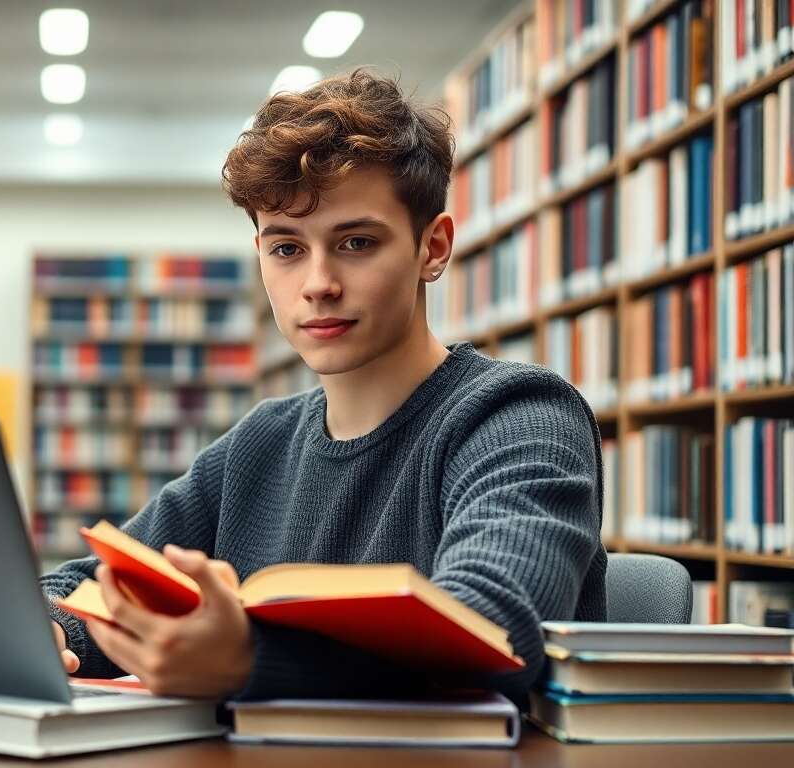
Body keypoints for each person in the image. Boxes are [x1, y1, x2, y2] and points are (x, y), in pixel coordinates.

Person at [40, 67, 606, 704]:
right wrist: (50, 629)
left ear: (433, 248)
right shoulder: (260, 443)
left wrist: (248, 660)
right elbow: (90, 583)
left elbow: (493, 629)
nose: (318, 285)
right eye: (286, 249)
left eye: (356, 242)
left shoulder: (520, 416)